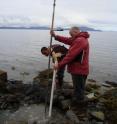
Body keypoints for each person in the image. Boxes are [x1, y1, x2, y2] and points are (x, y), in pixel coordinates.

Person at [50, 26, 90, 102]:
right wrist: (56, 36)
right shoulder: (79, 38)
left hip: (79, 69)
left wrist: (59, 65)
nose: (70, 36)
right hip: (80, 68)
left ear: (75, 32)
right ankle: (79, 99)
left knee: (79, 89)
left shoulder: (80, 40)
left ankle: (78, 106)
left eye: (71, 34)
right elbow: (68, 40)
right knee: (79, 87)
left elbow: (70, 55)